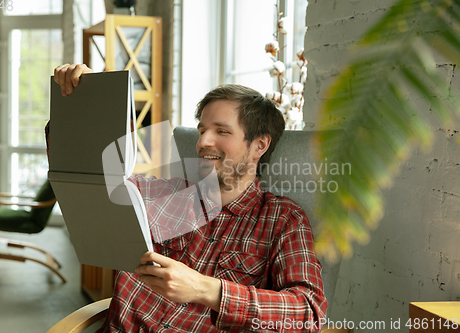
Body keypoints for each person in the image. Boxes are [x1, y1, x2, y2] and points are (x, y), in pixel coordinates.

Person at [52, 64, 327, 332]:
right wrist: (83, 103)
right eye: (202, 130)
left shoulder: (282, 220)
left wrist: (206, 290)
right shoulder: (163, 194)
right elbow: (91, 179)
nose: (203, 142)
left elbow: (309, 311)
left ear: (259, 145)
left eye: (221, 131)